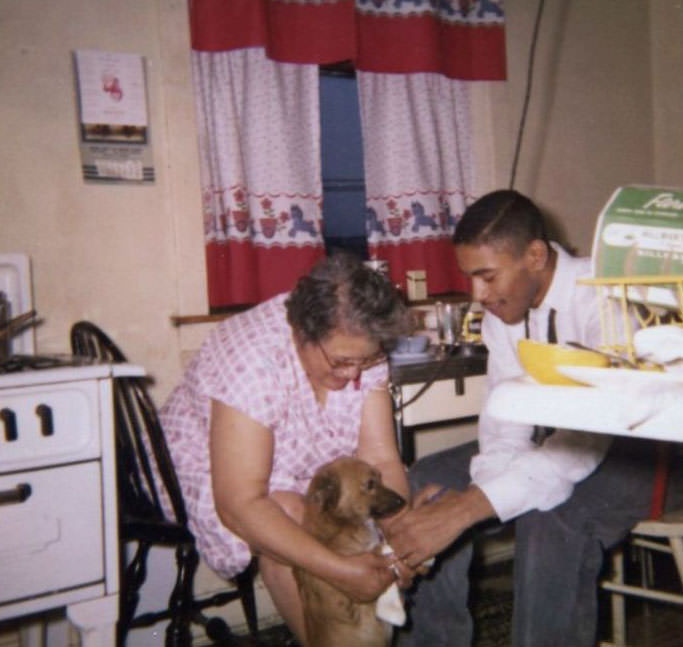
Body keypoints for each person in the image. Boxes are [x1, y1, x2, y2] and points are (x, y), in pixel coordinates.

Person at [386, 190, 660, 647]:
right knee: (432, 481)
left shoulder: (605, 295)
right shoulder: (504, 309)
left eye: (487, 276)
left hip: (644, 454)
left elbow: (586, 439)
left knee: (552, 514)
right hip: (558, 443)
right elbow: (504, 420)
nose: (478, 294)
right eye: (472, 278)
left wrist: (474, 506)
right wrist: (475, 496)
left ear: (535, 255)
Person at [158, 252, 415, 644]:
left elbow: (380, 460)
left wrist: (399, 542)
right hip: (202, 465)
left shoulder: (359, 346)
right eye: (342, 362)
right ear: (302, 333)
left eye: (365, 362)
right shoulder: (253, 359)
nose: (353, 375)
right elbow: (241, 503)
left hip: (288, 467)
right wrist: (341, 572)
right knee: (296, 517)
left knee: (344, 521)